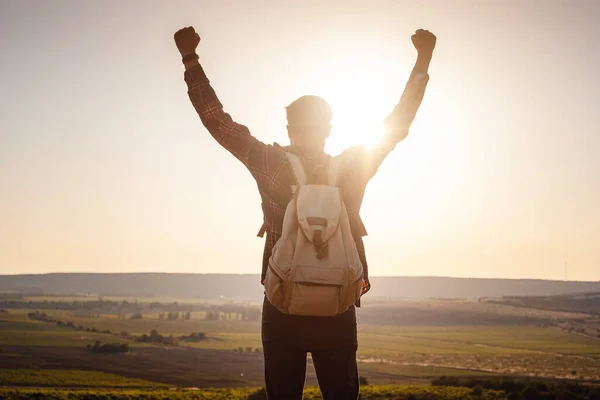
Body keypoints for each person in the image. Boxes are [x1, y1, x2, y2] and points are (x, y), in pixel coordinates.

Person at [174, 26, 436, 400]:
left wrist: (190, 58)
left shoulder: (269, 161)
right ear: (329, 128)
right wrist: (422, 61)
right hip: (338, 307)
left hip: (283, 306)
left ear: (288, 127)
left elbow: (216, 120)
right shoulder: (353, 166)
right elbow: (398, 124)